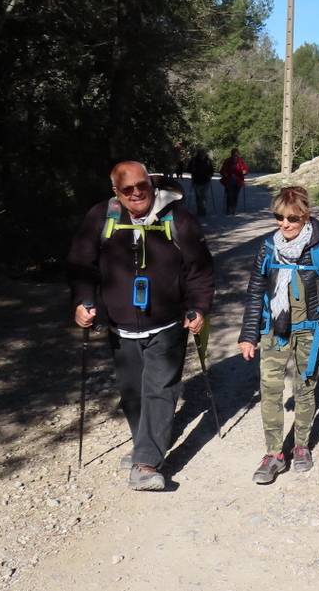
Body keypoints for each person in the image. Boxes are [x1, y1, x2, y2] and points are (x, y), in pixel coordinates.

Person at [67, 161, 214, 491]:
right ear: (116, 192)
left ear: (151, 183)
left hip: (168, 322)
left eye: (141, 186)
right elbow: (80, 265)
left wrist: (198, 307)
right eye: (127, 189)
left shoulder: (177, 218)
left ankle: (146, 463)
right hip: (120, 326)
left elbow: (200, 270)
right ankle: (145, 444)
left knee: (159, 389)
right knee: (132, 393)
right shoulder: (101, 217)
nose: (136, 193)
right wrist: (82, 300)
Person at [238, 186, 319, 484]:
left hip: (311, 331)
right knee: (270, 389)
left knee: (304, 388)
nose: (284, 224)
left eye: (292, 219)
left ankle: (301, 446)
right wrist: (248, 334)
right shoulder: (268, 247)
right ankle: (274, 454)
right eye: (279, 217)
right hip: (274, 329)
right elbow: (255, 293)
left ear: (305, 216)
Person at [219, 148, 249, 214]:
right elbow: (222, 170)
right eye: (234, 155)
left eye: (236, 155)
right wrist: (225, 174)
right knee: (229, 195)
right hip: (229, 180)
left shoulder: (241, 161)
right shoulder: (227, 161)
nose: (235, 156)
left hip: (238, 181)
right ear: (231, 154)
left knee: (235, 195)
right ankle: (228, 208)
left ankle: (233, 208)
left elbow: (246, 169)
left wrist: (245, 172)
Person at [188, 149, 215, 216]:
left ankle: (203, 210)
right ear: (199, 154)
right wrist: (192, 170)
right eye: (201, 153)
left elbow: (211, 169)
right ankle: (200, 210)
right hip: (197, 181)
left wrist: (210, 174)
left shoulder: (208, 160)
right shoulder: (194, 160)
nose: (202, 155)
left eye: (203, 153)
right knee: (198, 197)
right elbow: (188, 168)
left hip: (206, 181)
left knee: (204, 196)